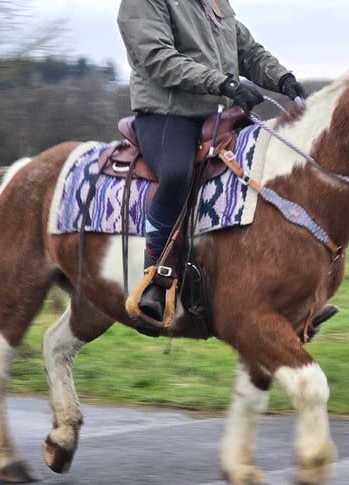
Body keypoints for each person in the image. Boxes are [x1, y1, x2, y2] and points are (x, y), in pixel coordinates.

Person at [117, 0, 308, 320]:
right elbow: (158, 60)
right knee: (176, 174)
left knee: (273, 160)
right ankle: (156, 277)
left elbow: (247, 50)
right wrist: (223, 83)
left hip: (217, 113)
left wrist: (283, 79)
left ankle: (288, 282)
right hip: (166, 114)